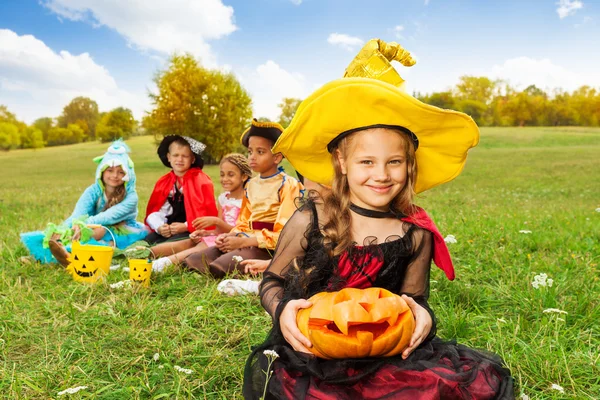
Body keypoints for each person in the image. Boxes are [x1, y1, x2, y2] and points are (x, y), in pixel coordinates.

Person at [243, 39, 513, 399]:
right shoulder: (313, 219)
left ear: (409, 164)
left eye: (394, 162)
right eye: (366, 162)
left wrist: (424, 317)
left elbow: (413, 298)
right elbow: (272, 281)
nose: (381, 175)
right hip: (315, 348)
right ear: (342, 162)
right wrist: (284, 309)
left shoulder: (414, 234)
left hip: (386, 351)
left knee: (429, 388)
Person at [184, 119, 304, 278]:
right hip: (245, 240)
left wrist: (246, 241)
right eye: (250, 151)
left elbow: (286, 233)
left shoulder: (288, 184)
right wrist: (230, 236)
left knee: (220, 268)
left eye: (260, 152)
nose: (252, 157)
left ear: (277, 157)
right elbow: (243, 222)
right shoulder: (251, 185)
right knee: (193, 261)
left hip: (268, 246)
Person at [20, 140, 149, 265]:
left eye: (121, 172)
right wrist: (65, 228)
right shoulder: (93, 191)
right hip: (91, 225)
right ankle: (45, 254)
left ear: (128, 174)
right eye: (110, 170)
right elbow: (78, 213)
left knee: (98, 233)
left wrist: (83, 225)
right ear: (101, 172)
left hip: (119, 228)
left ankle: (70, 254)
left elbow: (108, 217)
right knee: (66, 232)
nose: (115, 175)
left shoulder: (131, 197)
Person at [150, 153, 252, 272]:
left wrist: (216, 221)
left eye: (231, 175)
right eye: (222, 174)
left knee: (198, 248)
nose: (225, 179)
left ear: (243, 177)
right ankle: (144, 253)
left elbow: (242, 232)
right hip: (219, 237)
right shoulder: (223, 198)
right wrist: (205, 233)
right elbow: (218, 231)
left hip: (234, 240)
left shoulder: (248, 200)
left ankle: (160, 265)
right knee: (187, 242)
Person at [144, 135, 218, 245]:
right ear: (169, 157)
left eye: (185, 156)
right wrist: (160, 227)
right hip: (170, 228)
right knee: (146, 242)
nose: (179, 159)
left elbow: (205, 213)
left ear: (192, 159)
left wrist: (185, 226)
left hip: (191, 230)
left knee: (169, 245)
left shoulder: (201, 180)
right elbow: (159, 210)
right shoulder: (165, 181)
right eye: (175, 155)